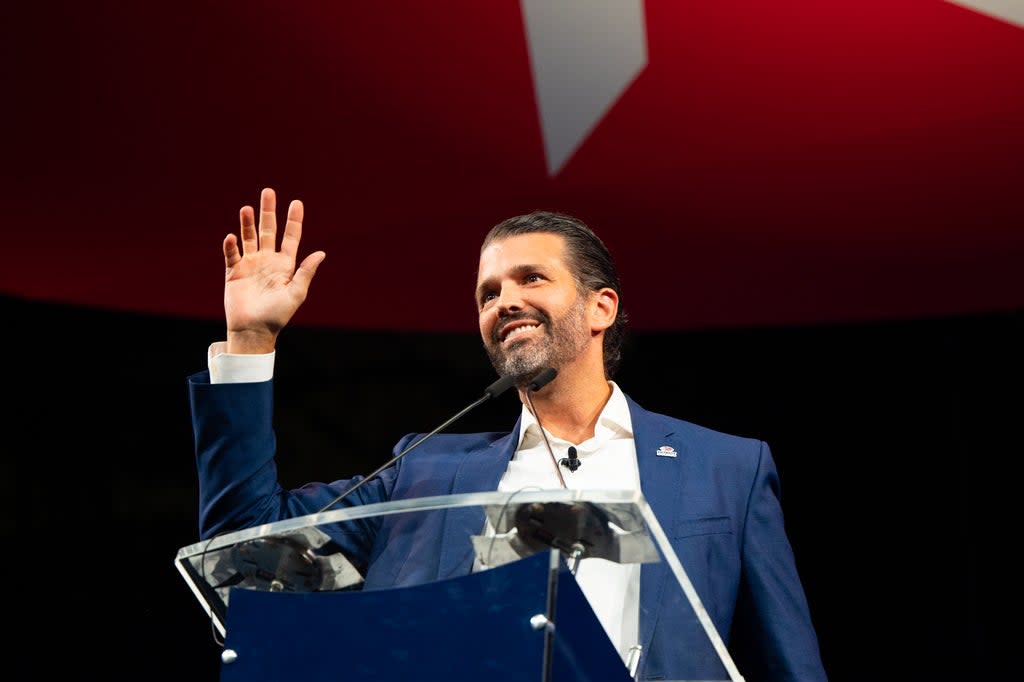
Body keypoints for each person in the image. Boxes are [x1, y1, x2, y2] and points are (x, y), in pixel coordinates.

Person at [188, 187, 828, 681]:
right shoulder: (425, 472)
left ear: (600, 307)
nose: (503, 301)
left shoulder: (726, 470)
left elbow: (790, 666)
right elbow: (242, 557)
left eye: (531, 279)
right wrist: (251, 340)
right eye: (487, 293)